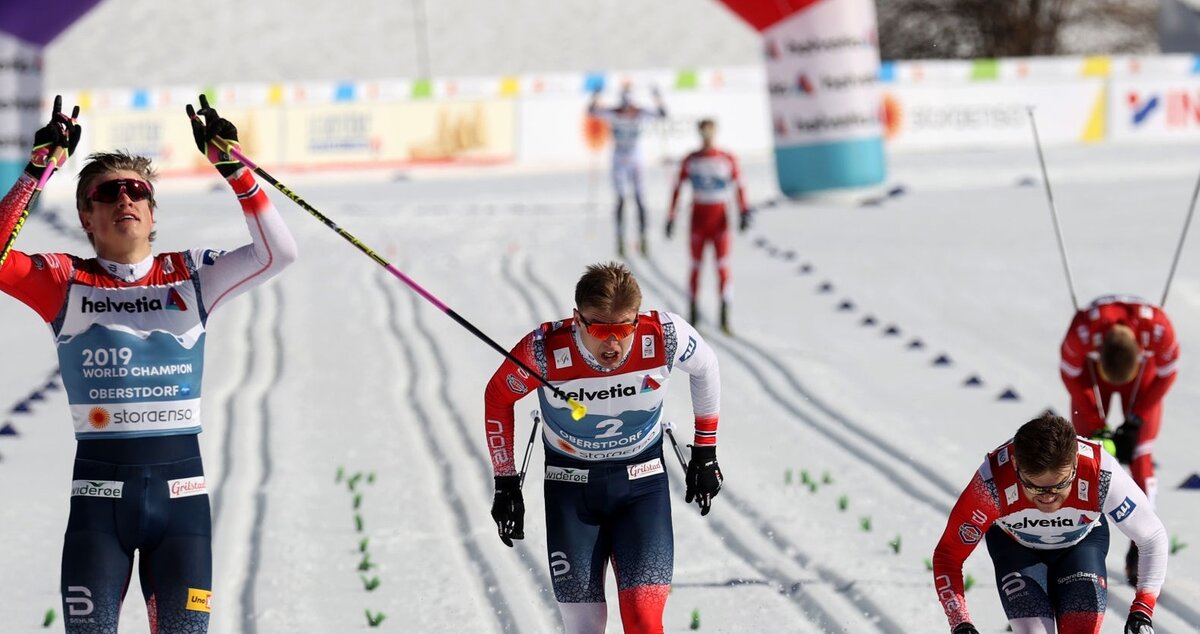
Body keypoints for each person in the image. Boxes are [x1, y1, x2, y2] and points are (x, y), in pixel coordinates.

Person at [0, 95, 297, 632]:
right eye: (108, 192)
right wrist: (37, 170)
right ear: (86, 216)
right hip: (97, 507)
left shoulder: (190, 273)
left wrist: (236, 170)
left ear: (154, 211)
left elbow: (278, 253)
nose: (126, 199)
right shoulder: (63, 280)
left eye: (138, 190)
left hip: (182, 503)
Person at [483, 262, 722, 634]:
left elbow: (706, 368)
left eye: (624, 328)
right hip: (571, 489)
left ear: (637, 319)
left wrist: (705, 453)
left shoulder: (664, 335)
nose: (612, 343)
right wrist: (505, 482)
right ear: (577, 319)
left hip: (642, 485)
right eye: (599, 328)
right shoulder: (545, 350)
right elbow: (498, 397)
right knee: (584, 627)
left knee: (644, 622)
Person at [931, 414, 1166, 634]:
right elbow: (948, 555)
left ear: (1075, 462)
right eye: (1034, 486)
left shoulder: (1100, 472)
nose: (1048, 497)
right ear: (1015, 465)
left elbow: (1152, 537)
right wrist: (960, 622)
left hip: (1081, 547)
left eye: (1060, 484)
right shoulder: (991, 484)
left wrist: (1142, 609)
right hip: (1016, 551)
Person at [1059, 294, 1177, 584]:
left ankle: (1141, 545)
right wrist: (1099, 425)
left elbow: (1168, 373)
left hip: (1141, 374)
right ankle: (1073, 535)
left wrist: (1135, 419)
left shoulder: (1159, 330)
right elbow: (1070, 375)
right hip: (1092, 373)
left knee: (1141, 451)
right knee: (1084, 448)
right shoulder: (1082, 330)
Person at [665, 118, 751, 334]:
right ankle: (693, 312)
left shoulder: (726, 158)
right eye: (703, 134)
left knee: (722, 267)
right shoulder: (691, 159)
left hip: (720, 222)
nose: (707, 138)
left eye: (710, 133)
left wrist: (744, 211)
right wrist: (671, 216)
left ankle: (724, 314)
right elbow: (677, 187)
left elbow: (740, 185)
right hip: (698, 221)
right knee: (695, 267)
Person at [588, 84, 667, 257]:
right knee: (621, 199)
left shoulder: (638, 113)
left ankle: (643, 236)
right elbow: (591, 111)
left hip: (634, 156)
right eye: (624, 107)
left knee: (639, 198)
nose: (626, 111)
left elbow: (662, 114)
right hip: (619, 156)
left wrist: (657, 97)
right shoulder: (614, 112)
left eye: (629, 107)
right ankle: (620, 237)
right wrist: (596, 95)